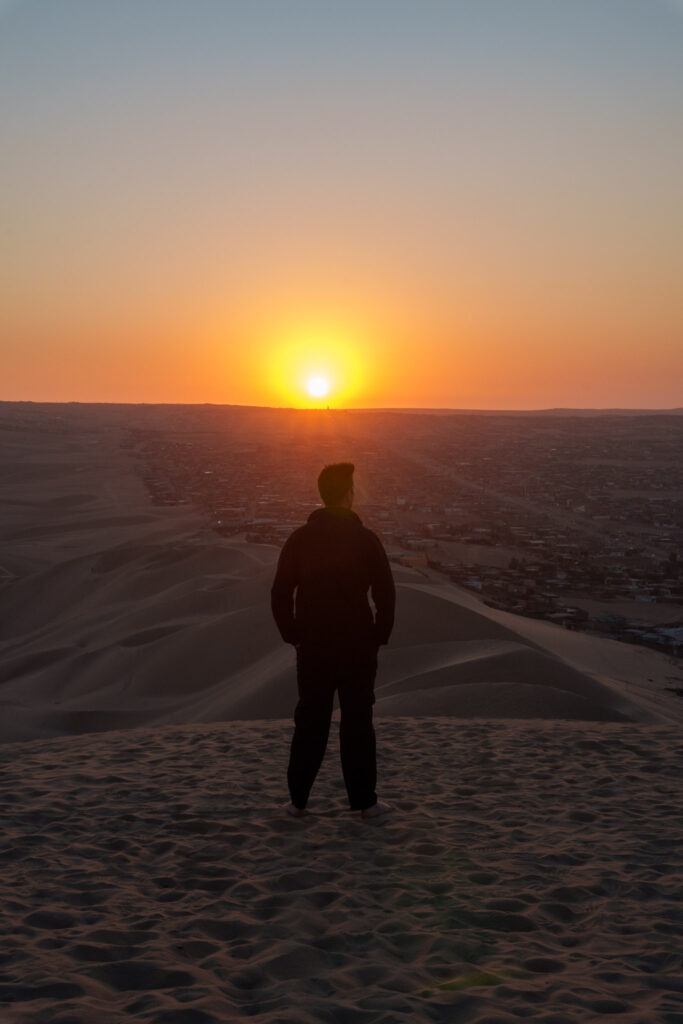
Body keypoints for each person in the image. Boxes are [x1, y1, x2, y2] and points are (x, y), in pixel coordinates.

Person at [271, 462, 396, 821]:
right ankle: (365, 803)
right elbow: (386, 594)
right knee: (358, 722)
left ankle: (297, 802)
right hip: (357, 646)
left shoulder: (300, 538)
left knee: (310, 721)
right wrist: (378, 636)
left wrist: (293, 635)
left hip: (313, 647)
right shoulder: (366, 539)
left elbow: (280, 592)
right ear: (347, 495)